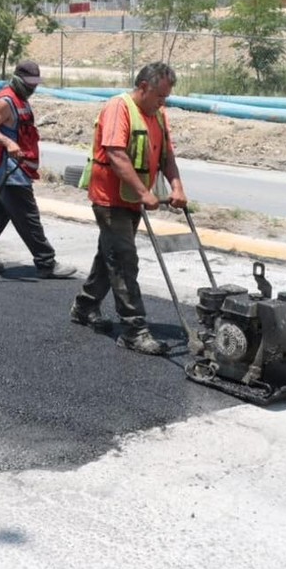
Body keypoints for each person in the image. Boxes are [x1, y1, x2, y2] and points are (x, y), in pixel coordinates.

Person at [69, 62, 187, 355]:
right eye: (160, 96)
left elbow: (167, 156)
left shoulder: (159, 115)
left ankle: (84, 306)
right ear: (144, 87)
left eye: (166, 97)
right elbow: (116, 154)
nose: (163, 102)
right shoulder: (117, 108)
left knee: (109, 254)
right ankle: (134, 330)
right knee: (123, 260)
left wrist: (176, 187)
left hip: (133, 199)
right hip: (110, 199)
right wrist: (144, 192)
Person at [0, 59, 76, 279]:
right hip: (9, 172)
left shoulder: (21, 100)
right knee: (29, 218)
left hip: (19, 169)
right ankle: (46, 262)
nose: (33, 87)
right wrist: (8, 143)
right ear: (18, 79)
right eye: (30, 83)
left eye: (35, 83)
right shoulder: (5, 101)